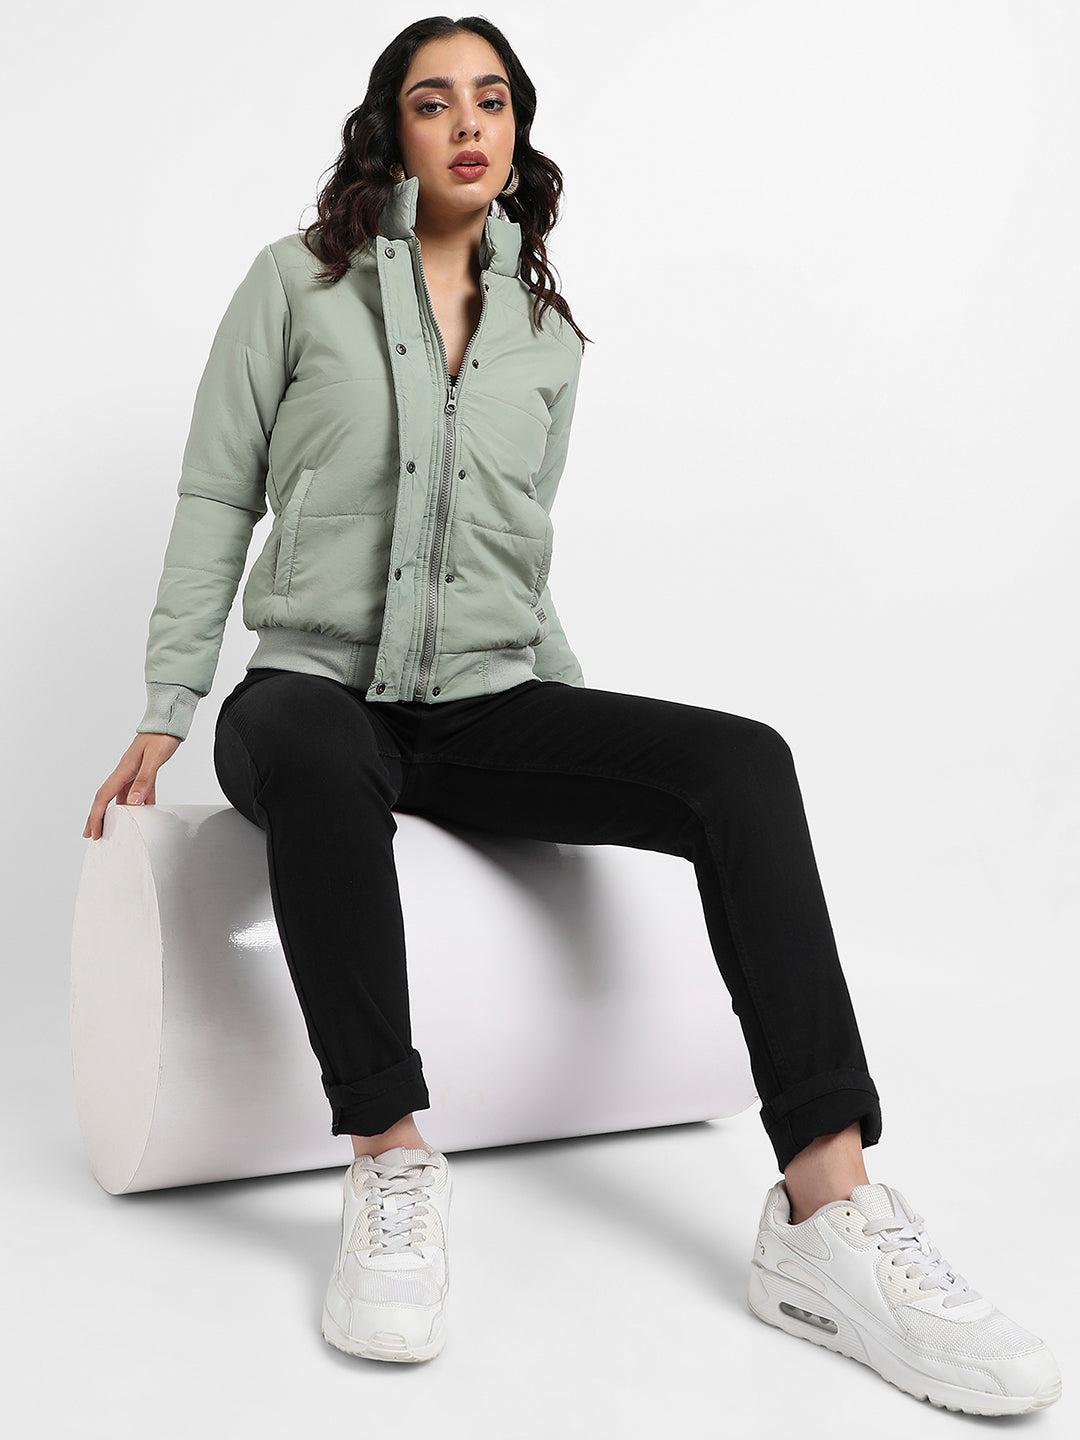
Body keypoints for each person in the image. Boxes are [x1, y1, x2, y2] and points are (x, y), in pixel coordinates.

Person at [83, 16, 1059, 1410]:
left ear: (518, 131)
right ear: (391, 131)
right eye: (434, 102)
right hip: (309, 695)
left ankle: (828, 1206)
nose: (467, 125)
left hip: (484, 701)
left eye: (491, 101)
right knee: (315, 745)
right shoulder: (294, 286)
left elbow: (516, 556)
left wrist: (583, 745)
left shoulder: (546, 333)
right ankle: (390, 1161)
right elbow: (214, 492)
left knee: (742, 764)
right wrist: (171, 702)